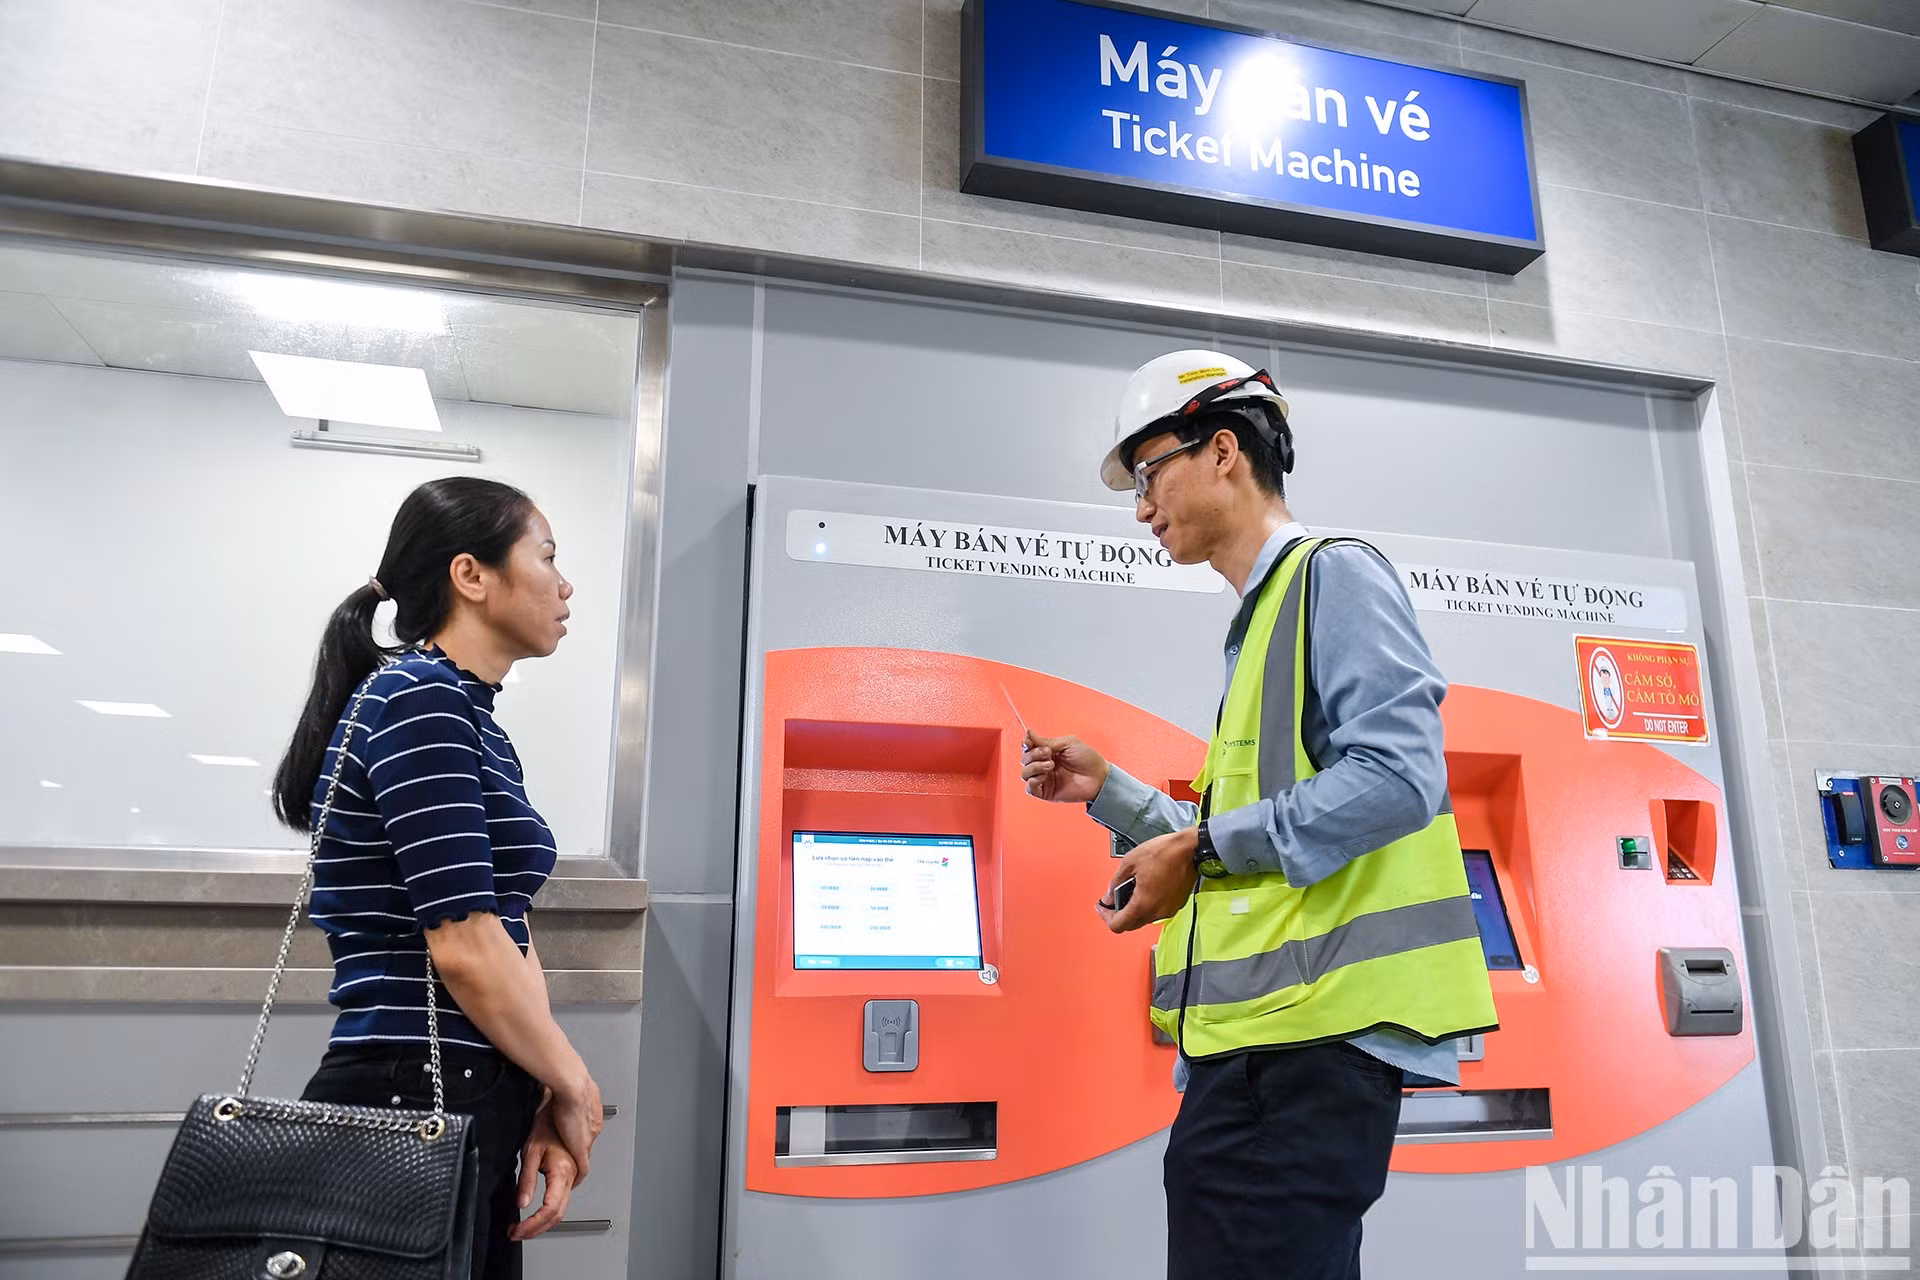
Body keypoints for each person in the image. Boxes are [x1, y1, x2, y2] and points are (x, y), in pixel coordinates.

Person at [1021, 351, 1498, 1279]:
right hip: (1268, 1052)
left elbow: (1400, 778)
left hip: (1305, 1054)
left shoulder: (1335, 578)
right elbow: (1255, 841)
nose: (1142, 505)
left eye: (1151, 470)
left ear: (1224, 451)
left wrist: (1198, 848)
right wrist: (1111, 790)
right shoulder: (1265, 621)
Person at [270, 476, 604, 1278]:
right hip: (412, 1092)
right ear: (471, 575)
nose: (566, 585)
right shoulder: (418, 701)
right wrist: (574, 1084)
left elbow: (504, 929)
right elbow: (461, 943)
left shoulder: (470, 715)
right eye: (548, 557)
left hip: (465, 1091)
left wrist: (538, 1091)